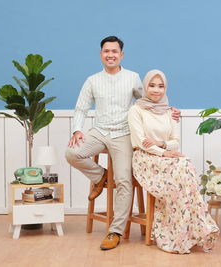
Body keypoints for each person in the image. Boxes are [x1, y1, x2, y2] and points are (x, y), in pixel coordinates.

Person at [65, 36, 180, 250]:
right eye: (106, 51)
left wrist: (169, 110)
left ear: (121, 55)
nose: (110, 55)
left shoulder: (133, 77)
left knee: (124, 180)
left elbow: (149, 98)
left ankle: (115, 231)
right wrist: (77, 129)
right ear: (101, 55)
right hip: (99, 131)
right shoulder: (92, 80)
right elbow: (81, 108)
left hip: (124, 135)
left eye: (115, 51)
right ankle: (101, 177)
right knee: (72, 153)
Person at [128, 69, 219, 254]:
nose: (156, 90)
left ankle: (187, 230)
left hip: (165, 156)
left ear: (165, 88)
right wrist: (162, 152)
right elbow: (140, 141)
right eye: (152, 86)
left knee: (185, 164)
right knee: (182, 167)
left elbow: (175, 142)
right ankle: (185, 230)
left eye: (161, 86)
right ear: (145, 87)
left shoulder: (170, 112)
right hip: (145, 159)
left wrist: (162, 144)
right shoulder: (136, 110)